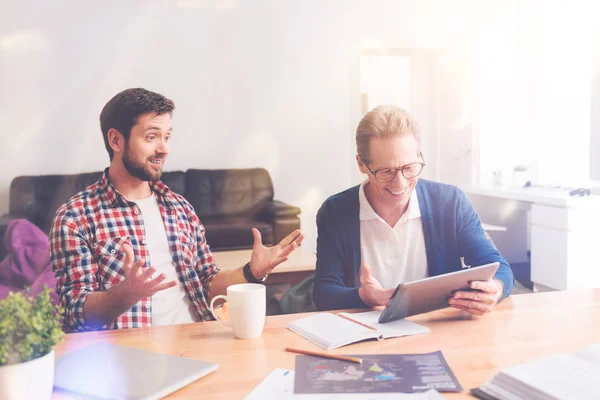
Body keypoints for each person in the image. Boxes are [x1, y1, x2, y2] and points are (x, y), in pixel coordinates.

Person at [50, 88, 304, 332]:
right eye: (152, 136)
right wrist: (127, 293)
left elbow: (207, 282)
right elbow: (73, 313)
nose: (164, 148)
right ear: (116, 140)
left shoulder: (179, 207)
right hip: (130, 354)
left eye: (167, 136)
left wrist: (252, 271)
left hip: (197, 338)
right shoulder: (75, 217)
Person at [313, 106, 513, 315]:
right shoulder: (335, 212)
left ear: (419, 156)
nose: (400, 184)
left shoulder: (450, 203)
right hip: (367, 333)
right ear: (361, 164)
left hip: (438, 328)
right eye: (386, 171)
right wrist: (364, 296)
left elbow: (498, 267)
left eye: (409, 168)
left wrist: (495, 289)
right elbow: (323, 293)